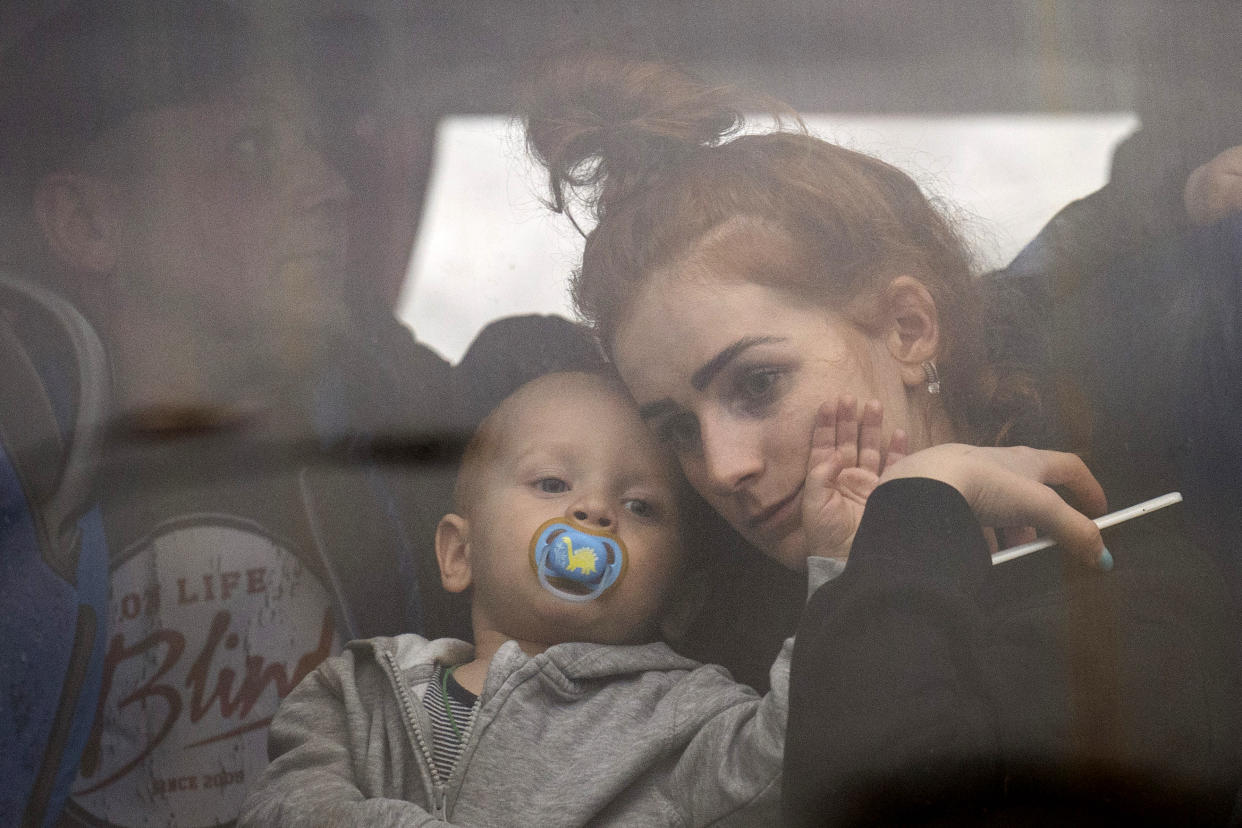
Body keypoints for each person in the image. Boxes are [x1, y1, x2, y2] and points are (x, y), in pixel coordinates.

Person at [522, 53, 1242, 822]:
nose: (725, 467)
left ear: (908, 328)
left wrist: (915, 510)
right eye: (677, 430)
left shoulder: (1136, 573)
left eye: (758, 384)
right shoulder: (694, 671)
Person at [240, 368, 1110, 826]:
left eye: (641, 507)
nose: (592, 511)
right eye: (550, 482)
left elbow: (794, 752)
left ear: (677, 591)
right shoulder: (353, 692)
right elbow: (282, 810)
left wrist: (844, 559)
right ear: (458, 553)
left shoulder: (684, 716)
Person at [0, 2, 455, 824]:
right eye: (250, 150)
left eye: (315, 143)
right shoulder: (18, 471)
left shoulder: (420, 434)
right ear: (86, 221)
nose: (329, 186)